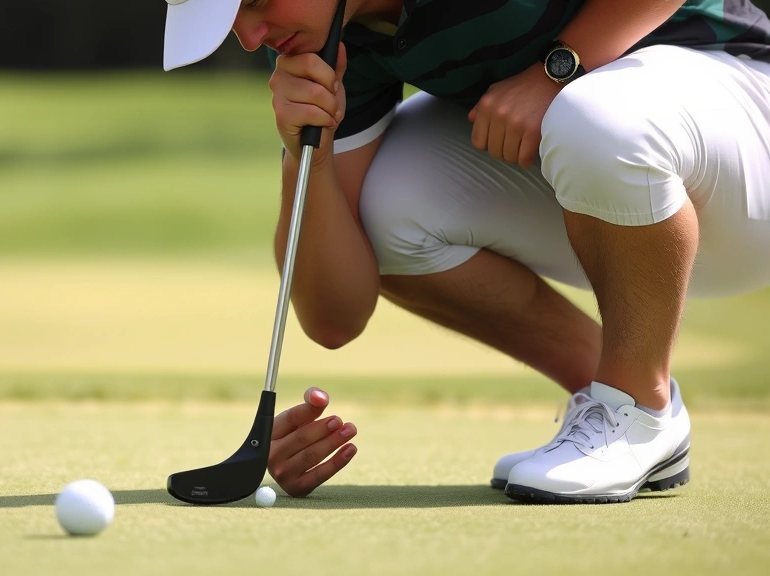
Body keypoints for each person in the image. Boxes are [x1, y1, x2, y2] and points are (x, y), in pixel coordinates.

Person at [162, 0, 770, 503]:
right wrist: (305, 155)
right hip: (624, 192)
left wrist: (556, 71)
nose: (249, 37)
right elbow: (333, 318)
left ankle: (640, 404)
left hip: (740, 129)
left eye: (255, 2)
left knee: (591, 115)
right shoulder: (335, 41)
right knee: (388, 202)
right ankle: (612, 402)